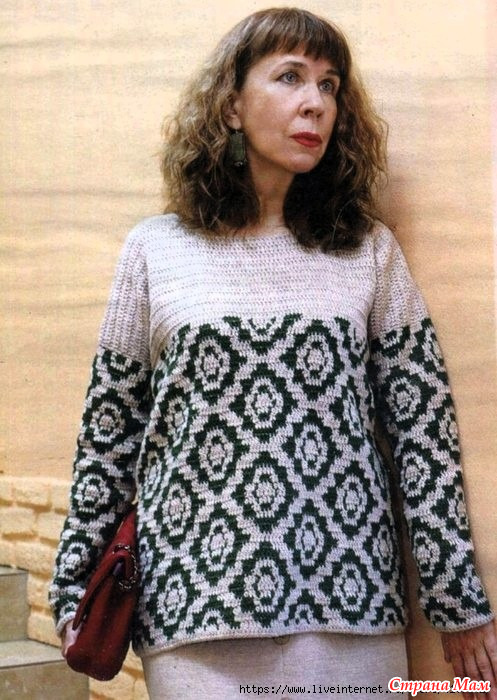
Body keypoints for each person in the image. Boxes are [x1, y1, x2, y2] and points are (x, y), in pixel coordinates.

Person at [49, 7, 497, 700]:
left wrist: (455, 600)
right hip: (194, 615)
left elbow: (422, 432)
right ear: (231, 105)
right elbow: (109, 432)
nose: (315, 102)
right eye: (290, 77)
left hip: (351, 609)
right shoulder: (155, 250)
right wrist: (74, 583)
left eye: (329, 84)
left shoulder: (368, 251)